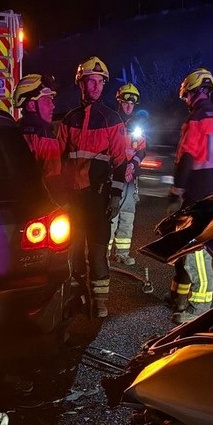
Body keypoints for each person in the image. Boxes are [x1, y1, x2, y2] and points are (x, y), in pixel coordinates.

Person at [57, 56, 128, 318]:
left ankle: (100, 301)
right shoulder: (69, 120)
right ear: (81, 84)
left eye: (100, 82)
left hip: (99, 199)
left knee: (98, 252)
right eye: (91, 81)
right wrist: (59, 196)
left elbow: (121, 162)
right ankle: (77, 296)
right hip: (74, 200)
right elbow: (58, 160)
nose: (96, 86)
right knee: (74, 250)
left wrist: (116, 195)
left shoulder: (112, 119)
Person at [167, 67, 213, 324]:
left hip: (196, 196)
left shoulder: (195, 121)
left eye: (186, 95)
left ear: (193, 93)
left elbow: (186, 159)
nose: (185, 100)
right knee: (188, 246)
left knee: (195, 249)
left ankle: (199, 307)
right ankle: (179, 295)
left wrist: (176, 192)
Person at [13, 74, 68, 204]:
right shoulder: (45, 134)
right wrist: (64, 205)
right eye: (47, 101)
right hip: (38, 202)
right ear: (31, 105)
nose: (52, 106)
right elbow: (53, 178)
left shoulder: (15, 128)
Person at [109, 83, 146, 265]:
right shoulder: (111, 122)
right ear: (119, 101)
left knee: (127, 214)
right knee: (111, 214)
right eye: (126, 102)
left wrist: (133, 164)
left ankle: (122, 253)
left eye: (132, 103)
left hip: (129, 179)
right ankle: (104, 254)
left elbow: (142, 150)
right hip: (112, 177)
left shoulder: (136, 125)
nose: (129, 106)